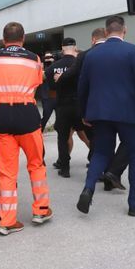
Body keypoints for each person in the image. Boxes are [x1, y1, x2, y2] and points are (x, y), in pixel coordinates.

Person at [0, 22, 52, 236]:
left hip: (2, 116)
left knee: (6, 170)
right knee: (36, 164)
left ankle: (7, 221)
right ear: (23, 38)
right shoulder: (34, 59)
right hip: (27, 116)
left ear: (3, 39)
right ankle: (41, 211)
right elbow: (37, 82)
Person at [76, 15, 135, 215]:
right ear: (124, 31)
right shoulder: (132, 51)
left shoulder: (91, 55)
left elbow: (82, 87)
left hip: (99, 113)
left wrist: (84, 113)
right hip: (129, 114)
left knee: (101, 153)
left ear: (106, 31)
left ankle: (88, 188)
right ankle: (134, 205)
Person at [45, 38, 89, 178]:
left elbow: (51, 86)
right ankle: (96, 164)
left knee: (63, 138)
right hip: (79, 105)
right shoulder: (81, 63)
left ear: (62, 48)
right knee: (88, 135)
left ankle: (64, 169)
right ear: (75, 47)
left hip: (62, 106)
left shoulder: (54, 66)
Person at [40, 52, 56, 131]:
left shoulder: (56, 67)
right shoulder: (41, 68)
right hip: (46, 96)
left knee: (60, 115)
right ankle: (40, 130)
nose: (48, 59)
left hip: (56, 95)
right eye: (46, 58)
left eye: (50, 57)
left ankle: (57, 127)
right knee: (46, 115)